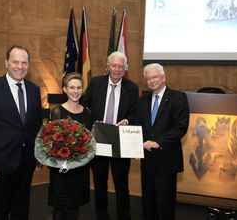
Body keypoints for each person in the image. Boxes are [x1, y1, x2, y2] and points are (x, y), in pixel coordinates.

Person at [0, 45, 42, 220]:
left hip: (26, 162)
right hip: (0, 165)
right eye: (15, 62)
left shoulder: (35, 90)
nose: (20, 66)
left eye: (24, 62)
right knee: (0, 211)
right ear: (6, 62)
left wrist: (38, 156)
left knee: (22, 210)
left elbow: (35, 126)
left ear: (28, 65)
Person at [82, 51, 139, 220]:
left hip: (120, 141)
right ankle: (102, 215)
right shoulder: (96, 83)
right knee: (100, 183)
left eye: (120, 66)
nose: (116, 69)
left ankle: (124, 215)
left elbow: (136, 113)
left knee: (122, 183)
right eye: (113, 65)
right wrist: (91, 125)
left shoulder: (132, 88)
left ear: (125, 69)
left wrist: (127, 121)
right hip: (99, 138)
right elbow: (85, 107)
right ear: (107, 67)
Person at [137, 63, 189, 220]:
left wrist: (158, 142)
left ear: (163, 77)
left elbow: (180, 127)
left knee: (164, 204)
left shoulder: (178, 97)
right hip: (147, 161)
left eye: (155, 77)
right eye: (148, 78)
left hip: (166, 160)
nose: (151, 81)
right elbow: (139, 126)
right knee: (148, 203)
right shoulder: (143, 100)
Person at [48, 72, 91, 220]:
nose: (76, 91)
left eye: (79, 87)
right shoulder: (56, 112)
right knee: (59, 210)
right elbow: (49, 143)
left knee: (74, 208)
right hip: (61, 170)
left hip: (79, 170)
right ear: (65, 89)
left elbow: (89, 142)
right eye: (72, 87)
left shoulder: (87, 113)